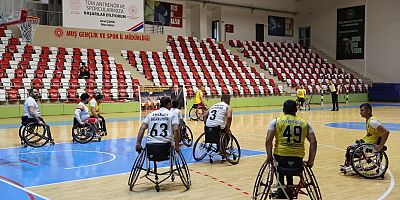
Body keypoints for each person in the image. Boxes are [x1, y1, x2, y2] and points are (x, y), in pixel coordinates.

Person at [265, 100, 317, 198]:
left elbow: (268, 140)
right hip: (297, 159)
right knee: (291, 168)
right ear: (296, 110)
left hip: (281, 157)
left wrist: (268, 156)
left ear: (283, 109)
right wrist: (311, 161)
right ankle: (289, 189)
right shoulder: (305, 123)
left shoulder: (276, 121)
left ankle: (282, 190)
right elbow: (313, 141)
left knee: (279, 167)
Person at [340, 103, 390, 171]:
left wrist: (380, 146)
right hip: (367, 141)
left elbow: (386, 132)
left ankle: (350, 165)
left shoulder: (373, 122)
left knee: (351, 150)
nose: (360, 113)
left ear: (368, 111)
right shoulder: (369, 120)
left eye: (362, 110)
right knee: (350, 149)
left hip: (371, 144)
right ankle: (348, 164)